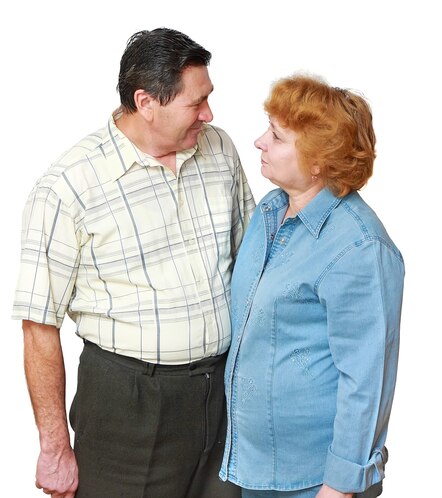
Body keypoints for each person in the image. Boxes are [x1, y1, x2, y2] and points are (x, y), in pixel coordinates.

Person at [13, 28, 255, 498]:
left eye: (209, 98)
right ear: (146, 102)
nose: (209, 113)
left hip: (223, 394)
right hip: (129, 407)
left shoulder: (219, 149)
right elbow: (38, 326)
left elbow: (250, 259)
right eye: (196, 103)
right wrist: (55, 447)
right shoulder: (69, 186)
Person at [219, 74, 404, 498]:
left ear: (318, 161)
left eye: (277, 136)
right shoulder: (270, 209)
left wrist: (338, 488)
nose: (259, 142)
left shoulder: (360, 247)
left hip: (315, 482)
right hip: (259, 469)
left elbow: (367, 380)